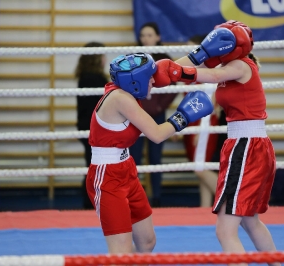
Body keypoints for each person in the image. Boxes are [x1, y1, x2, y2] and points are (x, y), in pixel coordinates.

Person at [153, 20, 280, 266]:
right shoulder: (230, 63)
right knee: (250, 220)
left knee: (225, 231)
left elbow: (211, 75)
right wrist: (162, 70)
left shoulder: (241, 66)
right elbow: (178, 68)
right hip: (244, 145)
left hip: (247, 147)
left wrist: (179, 73)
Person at [85, 51, 216, 255]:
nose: (154, 81)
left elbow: (168, 69)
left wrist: (202, 53)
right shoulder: (121, 99)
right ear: (135, 82)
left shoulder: (128, 89)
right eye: (149, 78)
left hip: (126, 169)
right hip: (107, 176)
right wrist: (184, 116)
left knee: (147, 243)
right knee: (121, 252)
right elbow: (156, 134)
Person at [130, 22, 177, 207]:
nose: (146, 39)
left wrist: (159, 107)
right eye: (143, 35)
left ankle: (157, 196)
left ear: (157, 37)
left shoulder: (164, 59)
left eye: (150, 35)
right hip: (136, 115)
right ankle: (134, 196)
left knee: (156, 156)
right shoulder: (134, 58)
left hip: (157, 115)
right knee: (133, 156)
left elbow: (173, 87)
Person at [183, 35, 226, 207]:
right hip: (193, 123)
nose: (188, 53)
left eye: (192, 49)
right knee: (203, 167)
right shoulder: (194, 71)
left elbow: (211, 104)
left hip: (204, 124)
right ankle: (205, 207)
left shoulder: (210, 71)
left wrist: (200, 129)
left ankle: (229, 201)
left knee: (200, 168)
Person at [74, 42, 109, 209]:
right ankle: (90, 202)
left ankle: (91, 202)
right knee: (94, 166)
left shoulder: (85, 76)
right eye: (103, 55)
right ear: (97, 58)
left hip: (86, 126)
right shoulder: (95, 78)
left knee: (93, 164)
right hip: (93, 128)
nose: (105, 59)